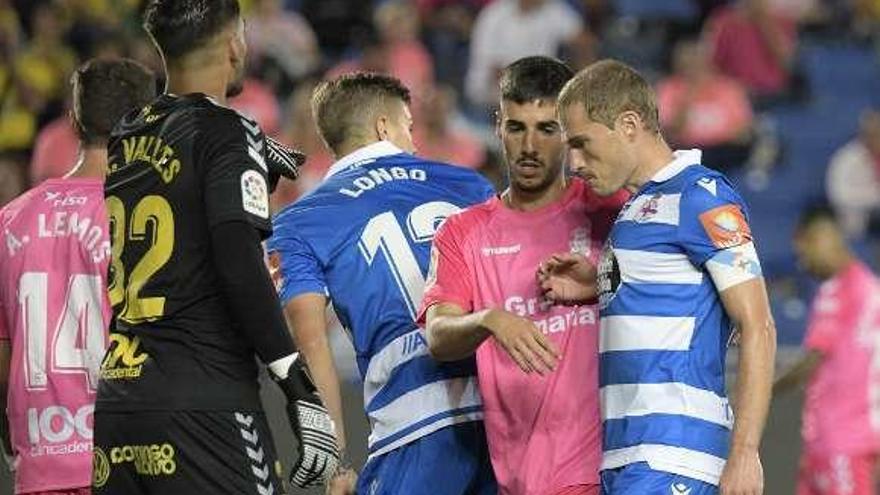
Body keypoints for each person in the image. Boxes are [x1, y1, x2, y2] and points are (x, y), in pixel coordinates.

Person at [92, 1, 338, 493]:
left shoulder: (126, 133)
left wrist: (246, 158)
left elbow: (178, 191)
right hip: (205, 406)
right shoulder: (230, 130)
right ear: (234, 43)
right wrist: (297, 384)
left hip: (121, 405)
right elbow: (238, 259)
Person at [538, 59, 777, 495]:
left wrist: (745, 453)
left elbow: (757, 324)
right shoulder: (636, 208)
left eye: (582, 144)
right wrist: (602, 283)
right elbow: (669, 291)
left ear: (629, 124)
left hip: (673, 454)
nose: (573, 163)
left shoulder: (700, 195)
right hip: (626, 457)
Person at [267, 72, 497, 495]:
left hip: (410, 425)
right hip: (502, 414)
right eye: (409, 127)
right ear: (383, 127)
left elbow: (310, 344)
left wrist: (337, 464)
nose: (414, 141)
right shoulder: (468, 184)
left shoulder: (298, 223)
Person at [418, 56, 626, 495]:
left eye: (547, 129)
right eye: (517, 128)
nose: (530, 146)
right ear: (498, 126)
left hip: (611, 473)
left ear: (569, 131)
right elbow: (438, 334)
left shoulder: (613, 212)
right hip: (519, 479)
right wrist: (489, 318)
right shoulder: (463, 233)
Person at [0, 57, 154, 495]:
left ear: (73, 120)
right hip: (134, 461)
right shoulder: (149, 220)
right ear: (149, 122)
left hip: (40, 466)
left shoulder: (9, 220)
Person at [775, 205, 880, 495]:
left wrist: (763, 389)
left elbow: (811, 361)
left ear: (820, 238)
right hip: (842, 438)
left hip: (840, 441)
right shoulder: (868, 287)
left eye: (803, 254)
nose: (803, 264)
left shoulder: (839, 289)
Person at [825, 108, 880, 239]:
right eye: (874, 133)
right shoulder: (847, 158)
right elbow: (838, 193)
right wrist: (874, 196)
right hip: (856, 218)